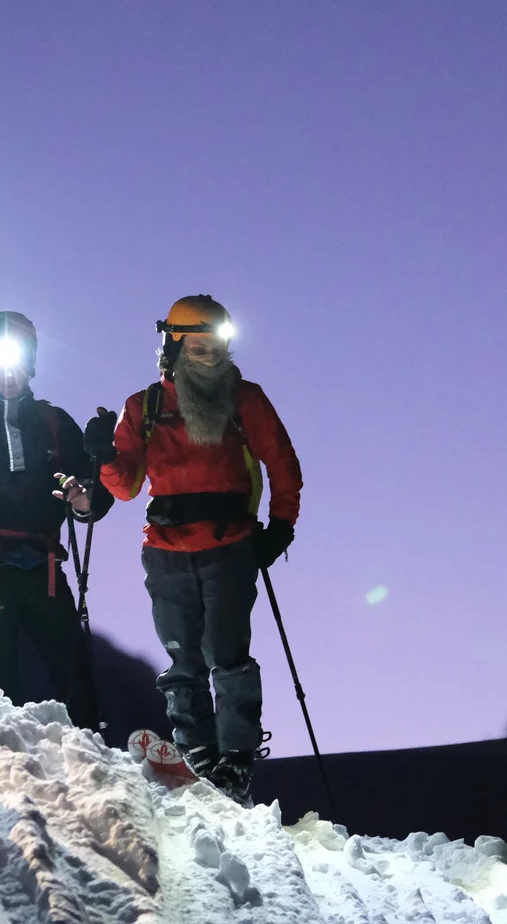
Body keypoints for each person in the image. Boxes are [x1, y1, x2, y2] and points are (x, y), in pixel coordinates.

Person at [87, 294, 303, 802]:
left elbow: (282, 462)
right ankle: (199, 755)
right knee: (182, 659)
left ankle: (235, 763)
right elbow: (124, 488)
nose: (208, 357)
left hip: (229, 547)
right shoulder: (145, 407)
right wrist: (101, 456)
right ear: (174, 346)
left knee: (226, 657)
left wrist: (281, 526)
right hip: (165, 551)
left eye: (216, 348)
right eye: (198, 346)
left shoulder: (245, 399)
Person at [0, 311, 113, 729]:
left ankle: (89, 758)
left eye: (18, 357)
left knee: (74, 675)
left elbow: (92, 494)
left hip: (44, 566)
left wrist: (84, 500)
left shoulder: (55, 423)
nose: (9, 370)